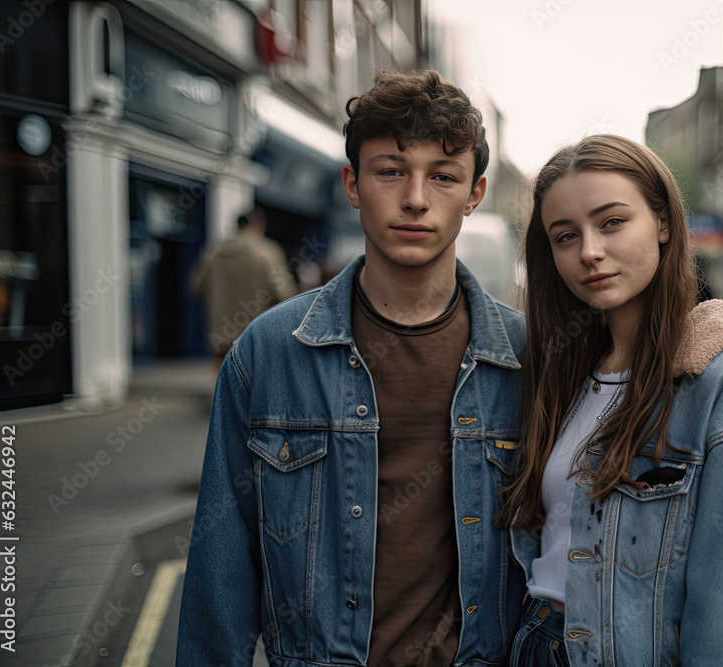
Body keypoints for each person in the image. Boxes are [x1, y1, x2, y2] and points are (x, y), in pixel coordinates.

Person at [176, 69, 526, 667]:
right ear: (353, 184)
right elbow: (221, 571)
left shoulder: (527, 356)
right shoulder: (268, 352)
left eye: (443, 176)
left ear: (475, 194)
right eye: (390, 171)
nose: (415, 198)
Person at [495, 135, 723, 665]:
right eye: (565, 236)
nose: (589, 251)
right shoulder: (557, 375)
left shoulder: (721, 391)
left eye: (612, 222)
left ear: (663, 223)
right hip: (534, 644)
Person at [189, 206, 297, 375]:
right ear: (258, 225)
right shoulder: (267, 252)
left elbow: (195, 288)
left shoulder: (213, 252)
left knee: (221, 380)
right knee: (254, 381)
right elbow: (285, 294)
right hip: (255, 334)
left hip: (221, 334)